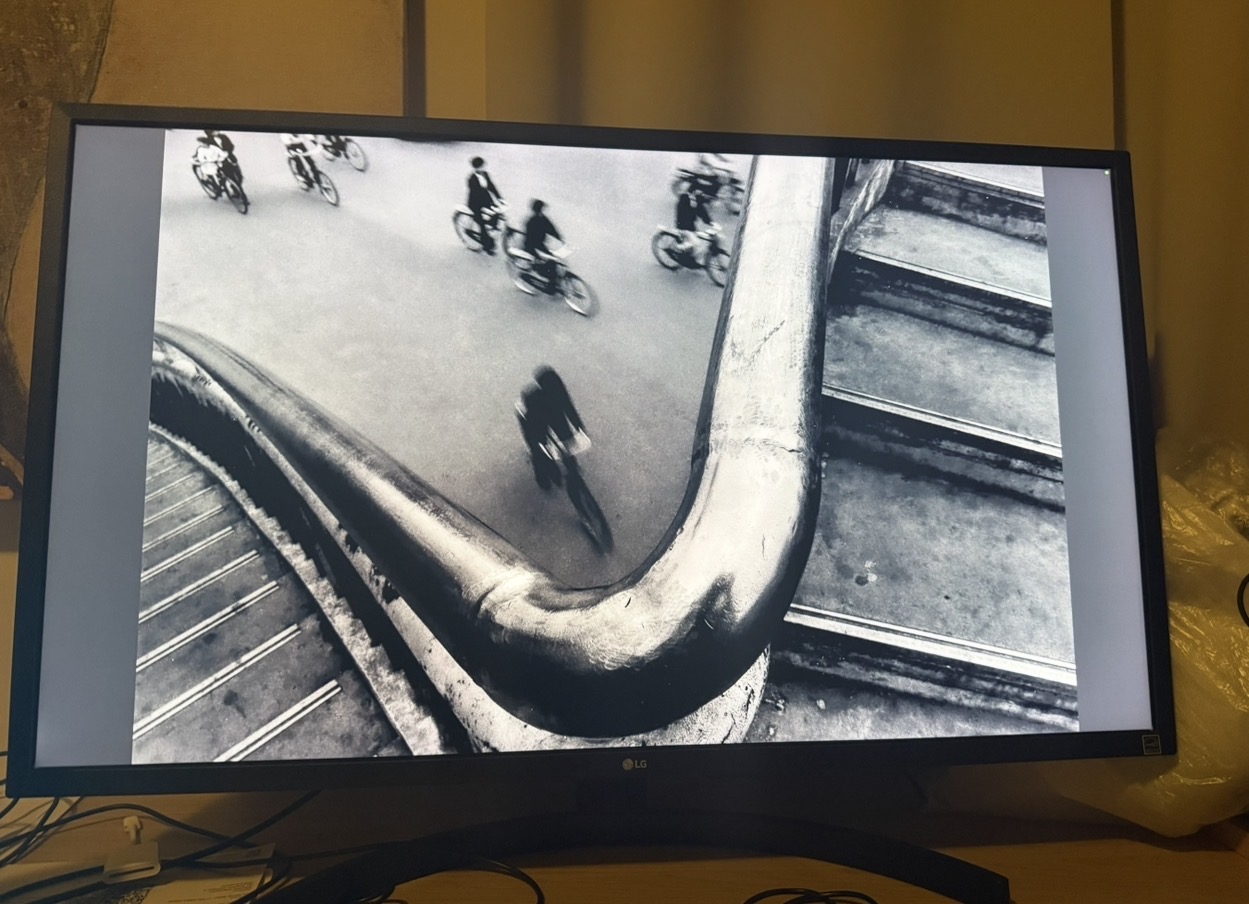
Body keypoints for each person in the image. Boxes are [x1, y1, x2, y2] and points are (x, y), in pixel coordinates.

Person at [516, 366, 588, 491]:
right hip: (534, 416)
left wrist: (577, 425)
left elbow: (567, 406)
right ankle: (543, 467)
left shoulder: (556, 394)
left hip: (549, 411)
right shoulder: (534, 400)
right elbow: (568, 406)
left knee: (563, 435)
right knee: (539, 443)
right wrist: (578, 425)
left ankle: (568, 466)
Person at [465, 156, 505, 254]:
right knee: (482, 224)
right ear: (476, 167)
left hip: (486, 200)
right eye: (481, 166)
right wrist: (485, 207)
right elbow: (475, 195)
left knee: (497, 213)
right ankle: (487, 247)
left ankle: (490, 228)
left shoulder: (485, 174)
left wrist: (500, 198)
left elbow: (492, 187)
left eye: (483, 166)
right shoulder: (471, 179)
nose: (483, 168)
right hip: (475, 204)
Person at [521, 199, 563, 292]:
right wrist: (538, 253)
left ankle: (550, 279)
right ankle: (547, 282)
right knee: (548, 263)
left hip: (539, 245)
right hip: (533, 247)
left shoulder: (542, 218)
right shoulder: (531, 222)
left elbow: (551, 229)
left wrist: (559, 238)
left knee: (552, 261)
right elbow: (529, 239)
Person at [674, 187, 715, 257]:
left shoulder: (693, 200)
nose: (701, 194)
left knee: (693, 242)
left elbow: (701, 212)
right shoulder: (687, 200)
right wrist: (709, 222)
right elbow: (700, 211)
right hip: (684, 227)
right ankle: (678, 248)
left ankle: (688, 254)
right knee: (696, 243)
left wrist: (710, 222)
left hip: (690, 226)